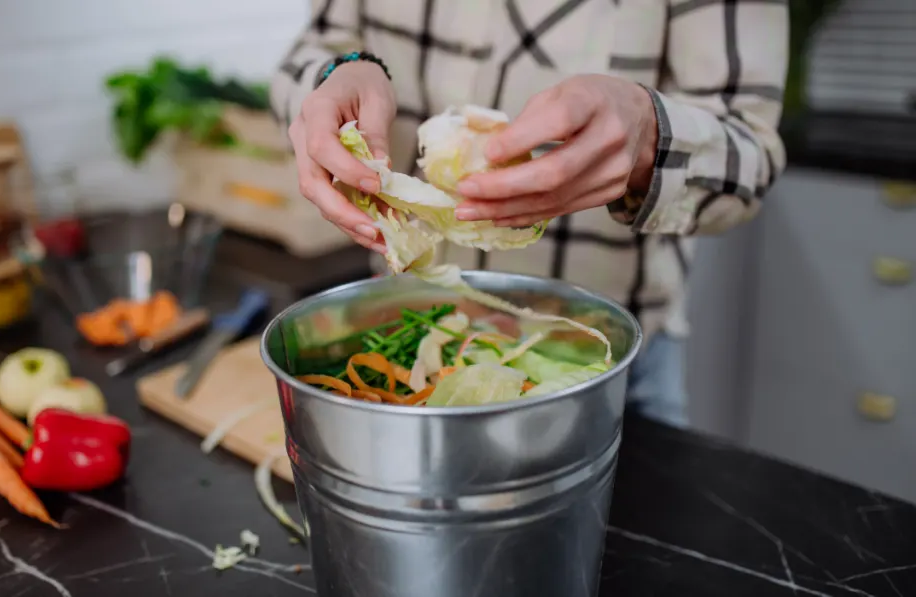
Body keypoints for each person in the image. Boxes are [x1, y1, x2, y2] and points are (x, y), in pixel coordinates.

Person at [270, 0, 788, 429]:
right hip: (405, 348)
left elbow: (753, 152)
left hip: (602, 375)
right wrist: (336, 74)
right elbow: (316, 46)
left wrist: (648, 135)